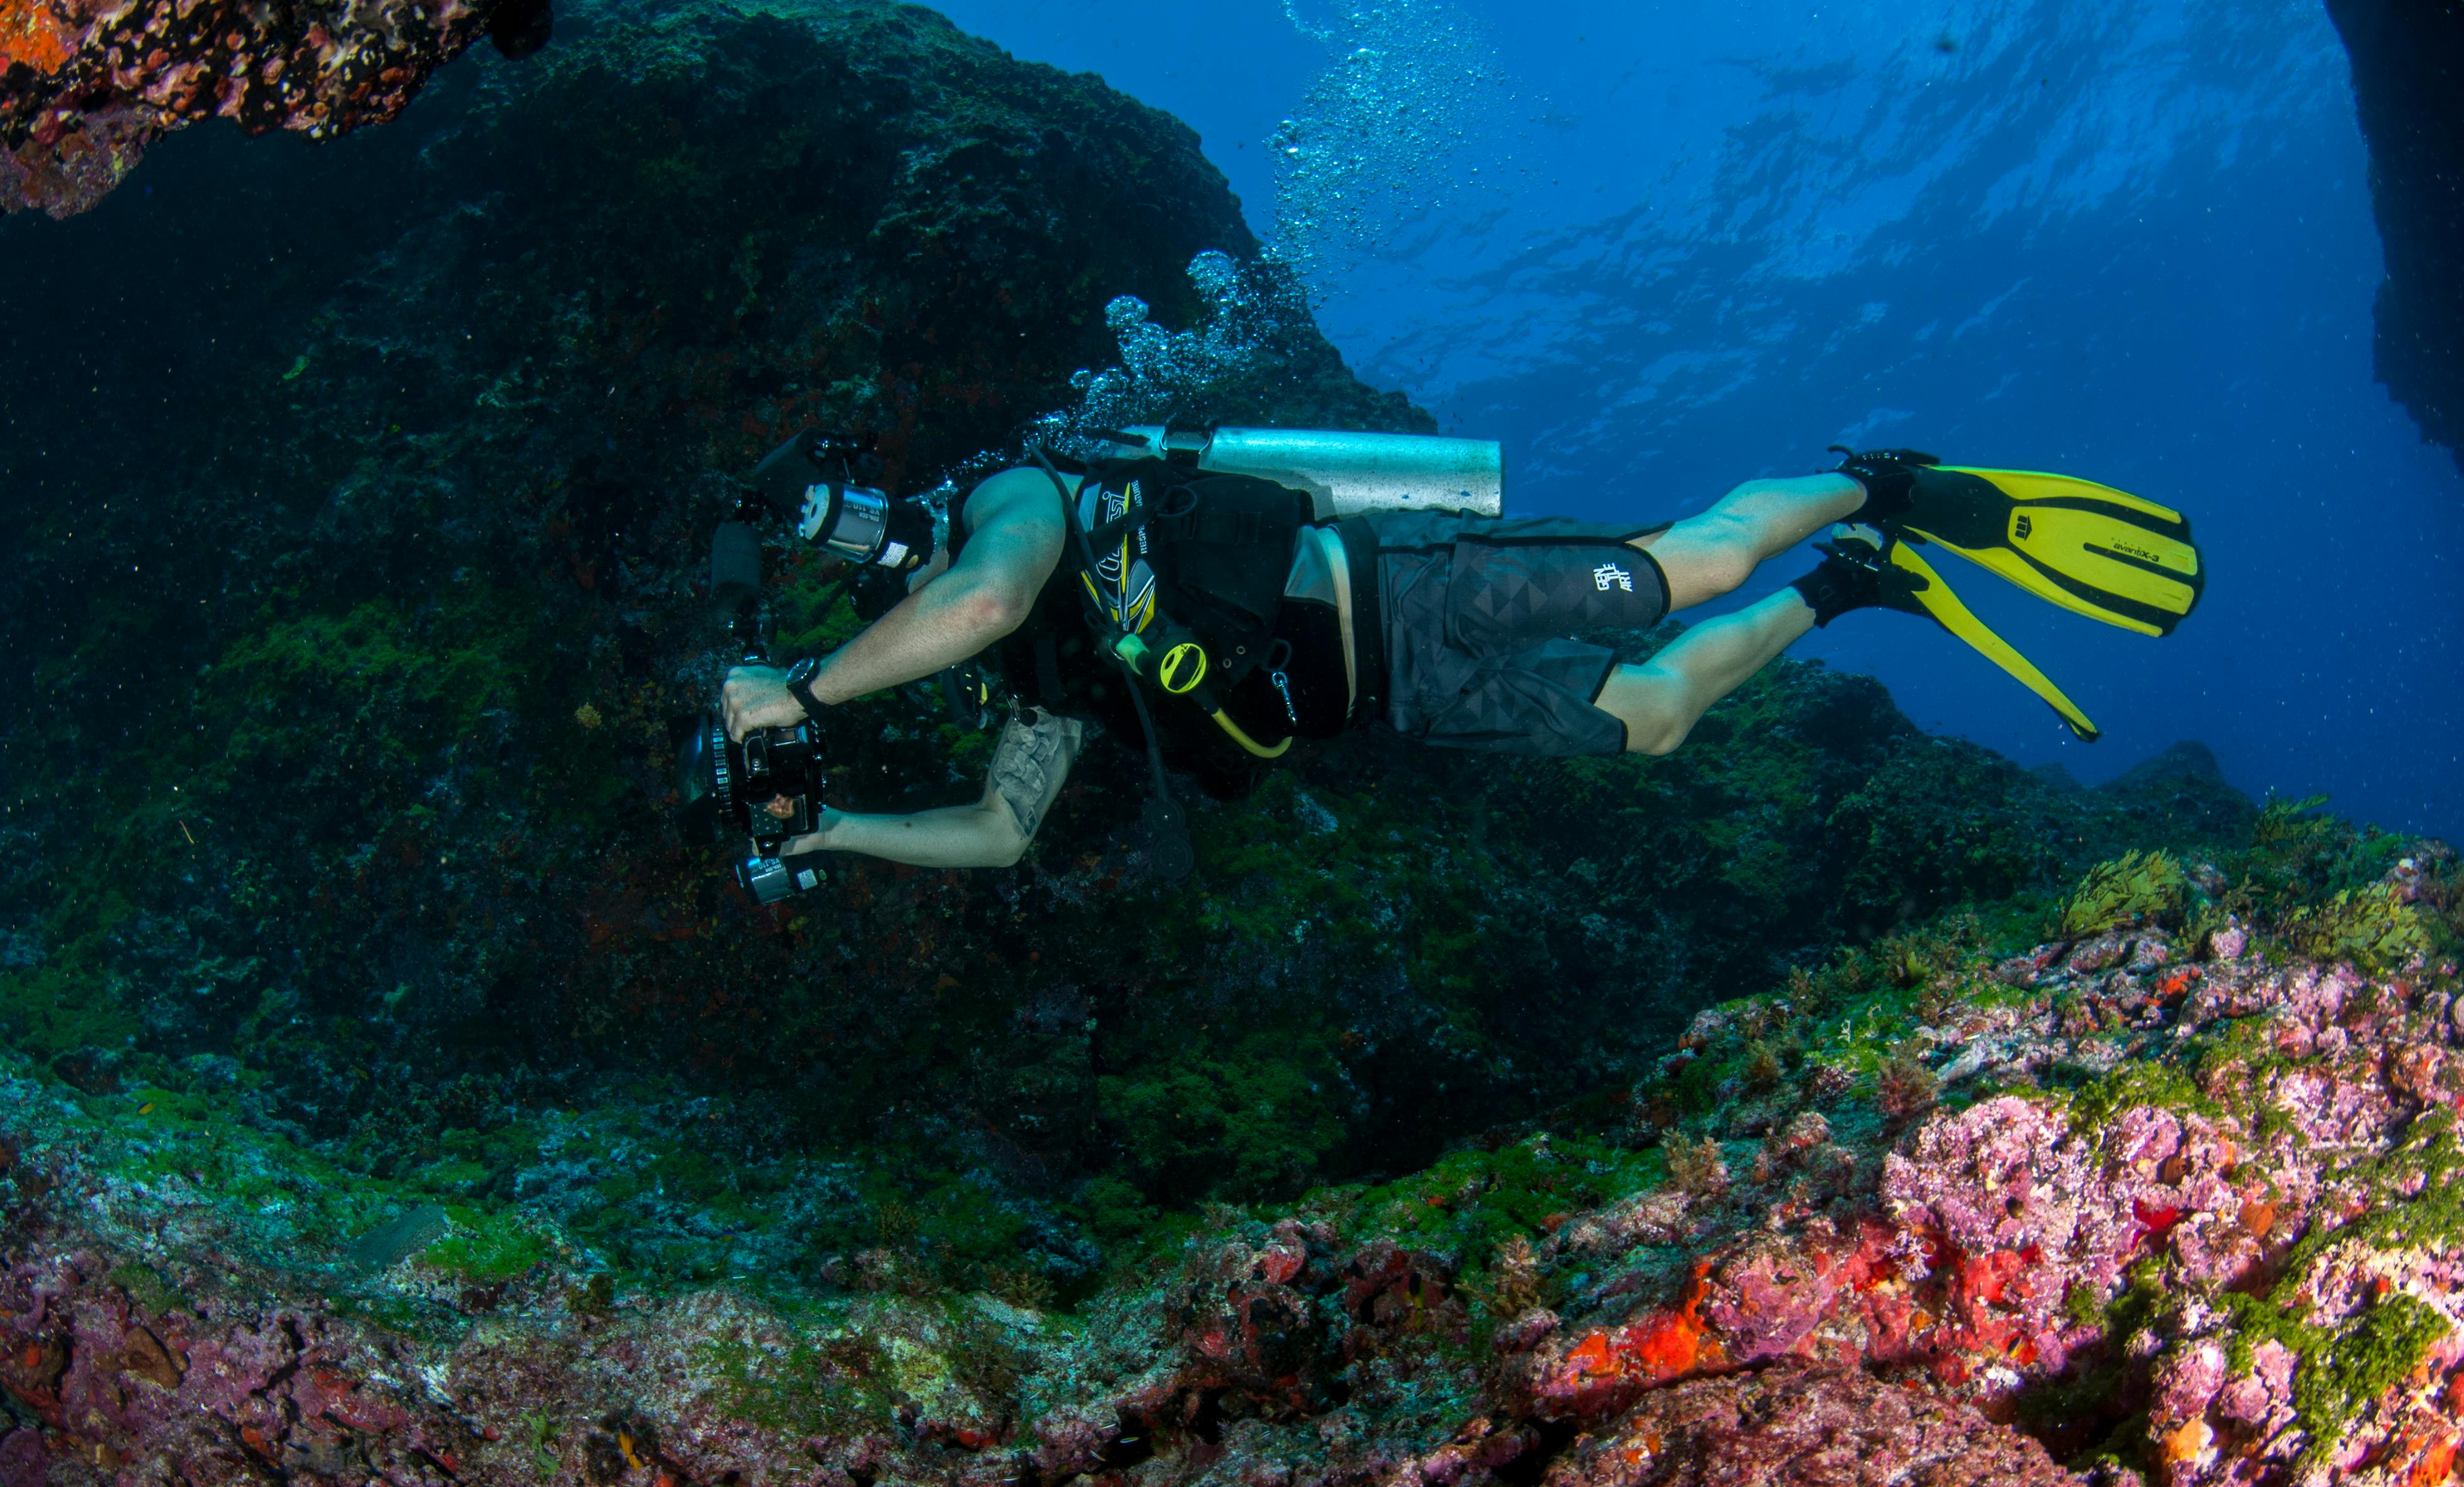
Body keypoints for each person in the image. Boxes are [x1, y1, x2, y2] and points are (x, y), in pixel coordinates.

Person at [718, 448, 2202, 871]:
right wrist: (826, 824)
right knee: (1662, 721)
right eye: (848, 551)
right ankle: (1853, 588)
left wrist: (798, 691)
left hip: (1417, 594)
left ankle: (1876, 480)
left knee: (1688, 565)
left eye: (868, 521)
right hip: (1403, 703)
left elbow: (979, 596)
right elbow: (995, 830)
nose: (876, 547)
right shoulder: (1045, 681)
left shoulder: (1020, 497)